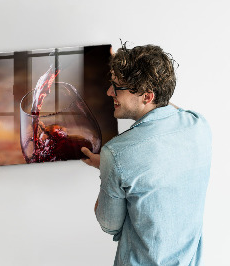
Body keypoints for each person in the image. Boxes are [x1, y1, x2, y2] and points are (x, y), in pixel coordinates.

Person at [81, 43, 212, 265]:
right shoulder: (199, 125)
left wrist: (107, 168)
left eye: (117, 87)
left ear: (147, 96)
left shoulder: (116, 154)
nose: (109, 92)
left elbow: (109, 225)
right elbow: (165, 106)